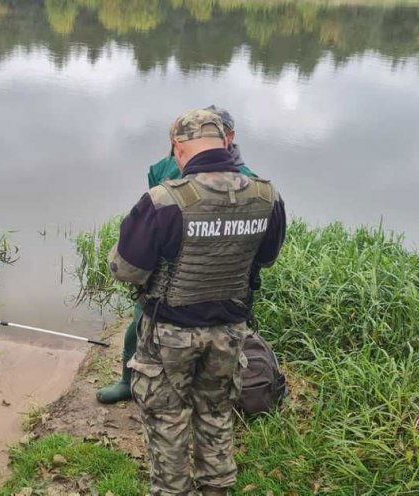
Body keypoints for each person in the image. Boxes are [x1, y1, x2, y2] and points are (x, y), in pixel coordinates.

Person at [108, 109, 285, 495]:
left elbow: (126, 269)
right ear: (226, 142)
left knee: (168, 421)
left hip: (170, 334)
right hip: (230, 332)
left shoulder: (164, 201)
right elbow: (266, 258)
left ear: (178, 148)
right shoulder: (266, 195)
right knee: (217, 415)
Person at [97, 105, 258, 405]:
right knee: (138, 327)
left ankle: (196, 400)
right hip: (169, 280)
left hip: (221, 288)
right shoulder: (167, 168)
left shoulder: (250, 184)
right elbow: (152, 215)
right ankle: (128, 381)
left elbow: (261, 251)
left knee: (208, 367)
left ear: (229, 137)